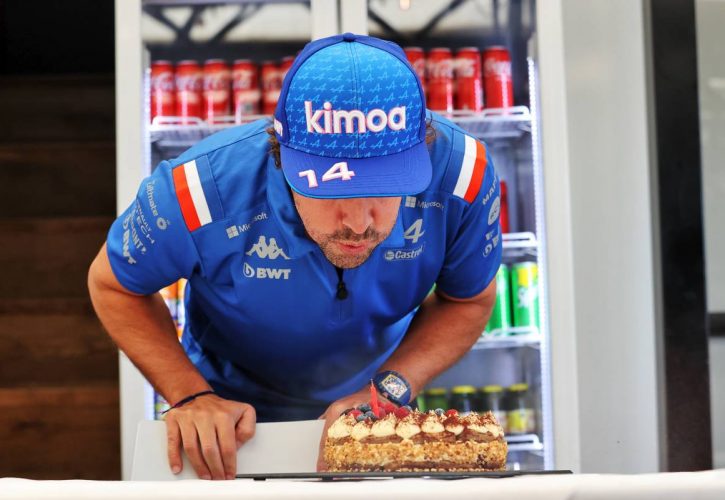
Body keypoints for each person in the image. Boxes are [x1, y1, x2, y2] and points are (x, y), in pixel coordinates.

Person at [88, 33, 502, 480]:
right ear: (282, 158)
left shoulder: (463, 174)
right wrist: (190, 395)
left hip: (376, 413)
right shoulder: (199, 191)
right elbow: (113, 285)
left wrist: (389, 389)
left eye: (385, 189)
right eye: (331, 191)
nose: (358, 223)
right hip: (227, 422)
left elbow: (469, 300)